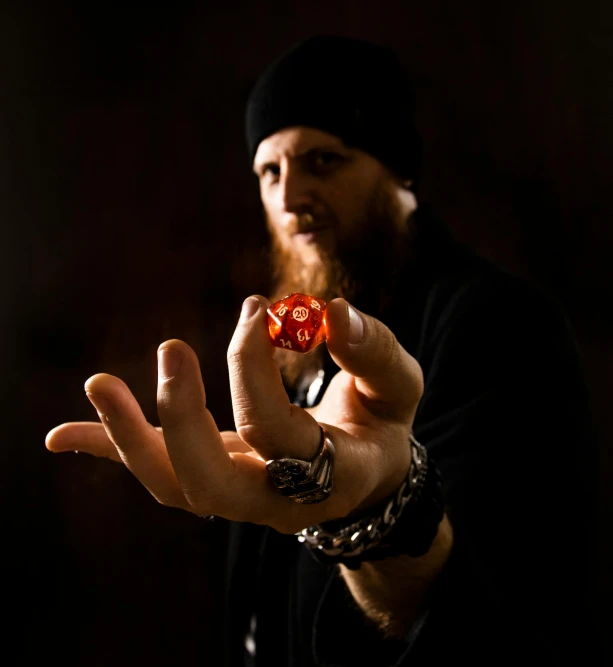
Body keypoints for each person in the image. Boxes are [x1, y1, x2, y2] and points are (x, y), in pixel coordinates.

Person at [46, 36, 598, 666]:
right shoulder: (293, 342)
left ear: (395, 169)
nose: (288, 199)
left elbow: (500, 616)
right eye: (270, 171)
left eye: (323, 162)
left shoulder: (499, 324)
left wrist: (382, 513)